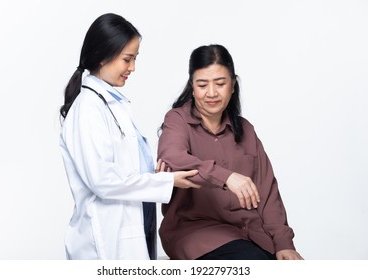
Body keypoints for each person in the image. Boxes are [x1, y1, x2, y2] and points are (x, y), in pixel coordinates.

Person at [59, 13, 199, 260]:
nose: (132, 68)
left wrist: (155, 175)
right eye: (127, 59)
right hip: (105, 240)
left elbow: (122, 169)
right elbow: (102, 180)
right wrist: (166, 183)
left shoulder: (111, 104)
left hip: (130, 227)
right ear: (103, 56)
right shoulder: (88, 108)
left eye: (135, 59)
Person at [157, 44, 303, 260]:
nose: (212, 93)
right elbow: (173, 158)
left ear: (233, 85)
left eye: (220, 83)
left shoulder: (245, 130)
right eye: (202, 84)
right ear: (192, 86)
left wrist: (283, 243)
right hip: (197, 234)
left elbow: (267, 191)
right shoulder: (177, 120)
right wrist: (227, 177)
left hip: (249, 234)